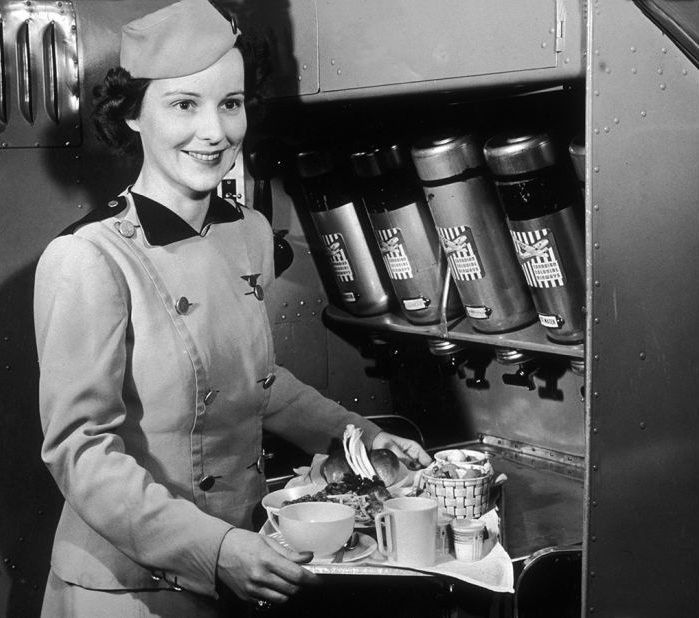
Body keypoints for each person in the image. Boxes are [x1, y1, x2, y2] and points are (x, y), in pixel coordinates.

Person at [32, 1, 433, 615]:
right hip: (129, 587)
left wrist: (363, 439)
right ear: (132, 115)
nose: (215, 131)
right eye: (183, 104)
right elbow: (81, 452)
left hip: (243, 566)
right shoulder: (89, 258)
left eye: (231, 102)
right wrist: (217, 550)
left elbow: (256, 385)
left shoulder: (245, 233)